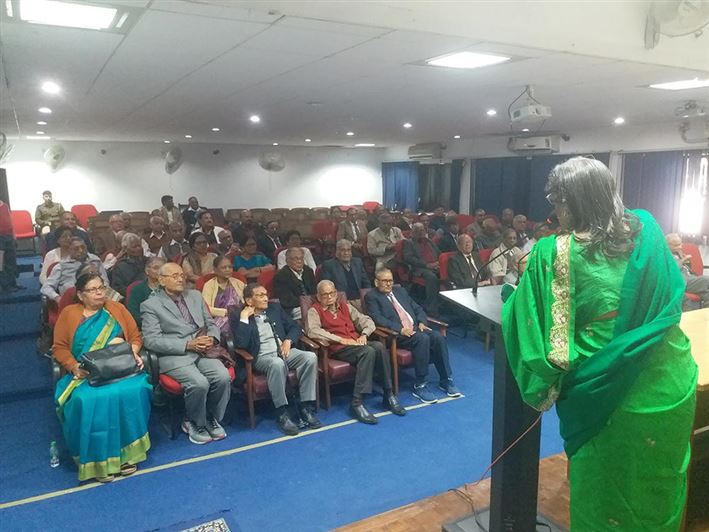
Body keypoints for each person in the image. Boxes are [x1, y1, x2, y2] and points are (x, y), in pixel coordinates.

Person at [501, 156, 698, 531]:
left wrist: (513, 298)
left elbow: (551, 348)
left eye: (559, 202)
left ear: (575, 201)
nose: (556, 213)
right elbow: (672, 296)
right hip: (671, 382)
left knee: (606, 498)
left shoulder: (555, 253)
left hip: (607, 395)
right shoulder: (648, 231)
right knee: (658, 489)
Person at [52, 272, 151, 482]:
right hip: (86, 373)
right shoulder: (69, 314)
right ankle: (99, 461)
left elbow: (135, 336)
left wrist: (133, 352)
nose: (99, 293)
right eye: (92, 289)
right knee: (87, 400)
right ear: (80, 294)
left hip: (120, 369)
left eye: (101, 287)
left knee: (135, 389)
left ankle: (126, 455)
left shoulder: (116, 308)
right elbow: (59, 348)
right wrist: (73, 367)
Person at [141, 262, 231, 445]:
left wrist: (212, 339)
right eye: (174, 276)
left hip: (203, 351)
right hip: (176, 355)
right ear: (161, 280)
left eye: (181, 275)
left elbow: (211, 323)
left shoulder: (195, 296)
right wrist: (187, 345)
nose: (180, 279)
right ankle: (193, 422)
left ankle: (210, 417)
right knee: (199, 383)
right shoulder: (150, 305)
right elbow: (151, 340)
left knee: (222, 377)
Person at [305, 280, 405, 423]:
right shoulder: (314, 310)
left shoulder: (346, 306)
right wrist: (340, 339)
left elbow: (366, 320)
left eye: (332, 293)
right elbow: (313, 331)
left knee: (378, 346)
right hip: (337, 348)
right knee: (368, 352)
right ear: (319, 296)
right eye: (325, 294)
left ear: (336, 293)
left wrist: (364, 334)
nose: (329, 297)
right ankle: (357, 402)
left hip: (356, 342)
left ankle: (388, 394)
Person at [231, 283, 321, 435]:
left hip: (284, 351)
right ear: (249, 300)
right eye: (260, 295)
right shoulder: (240, 315)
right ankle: (282, 413)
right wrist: (244, 319)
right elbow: (241, 343)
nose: (266, 298)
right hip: (261, 357)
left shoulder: (275, 309)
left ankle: (306, 407)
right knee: (277, 363)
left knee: (310, 357)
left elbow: (295, 327)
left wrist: (288, 341)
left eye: (266, 294)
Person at [365, 268, 459, 403]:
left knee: (438, 337)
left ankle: (446, 380)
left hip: (415, 328)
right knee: (423, 339)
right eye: (384, 281)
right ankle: (420, 385)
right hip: (396, 334)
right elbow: (377, 318)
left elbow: (417, 308)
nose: (388, 284)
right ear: (376, 282)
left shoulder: (400, 291)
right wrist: (400, 329)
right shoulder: (372, 297)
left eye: (390, 280)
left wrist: (421, 322)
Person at [41, 237, 109, 303]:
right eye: (76, 249)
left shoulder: (95, 260)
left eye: (83, 247)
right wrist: (57, 298)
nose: (81, 250)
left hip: (97, 297)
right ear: (69, 250)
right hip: (73, 301)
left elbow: (105, 281)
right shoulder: (61, 266)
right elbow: (46, 287)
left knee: (116, 305)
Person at [403, 222, 441, 316]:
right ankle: (431, 309)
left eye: (422, 230)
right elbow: (408, 258)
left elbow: (439, 252)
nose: (420, 233)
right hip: (420, 268)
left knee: (450, 271)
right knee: (432, 278)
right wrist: (427, 265)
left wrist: (439, 262)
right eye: (417, 231)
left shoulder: (428, 241)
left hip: (435, 265)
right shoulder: (408, 242)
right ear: (413, 232)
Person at [201, 255, 245, 337]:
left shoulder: (238, 283)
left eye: (230, 267)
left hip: (240, 316)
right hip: (219, 318)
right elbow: (206, 309)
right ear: (215, 270)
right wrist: (227, 312)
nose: (228, 270)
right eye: (224, 268)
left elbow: (247, 301)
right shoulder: (209, 285)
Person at [321, 239, 370, 308]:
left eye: (348, 250)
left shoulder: (358, 262)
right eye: (343, 250)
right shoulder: (329, 265)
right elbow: (326, 287)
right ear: (337, 251)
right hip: (341, 302)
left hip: (360, 300)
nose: (346, 253)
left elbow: (366, 283)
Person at [666, 232, 709, 307]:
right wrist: (683, 260)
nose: (680, 247)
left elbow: (686, 269)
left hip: (690, 278)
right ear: (667, 245)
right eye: (676, 245)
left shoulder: (677, 253)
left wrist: (683, 259)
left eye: (680, 244)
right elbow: (671, 270)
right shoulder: (664, 255)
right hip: (682, 281)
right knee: (706, 279)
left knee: (707, 294)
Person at [273, 247, 316, 319]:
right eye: (296, 259)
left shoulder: (308, 271)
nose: (299, 261)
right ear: (287, 261)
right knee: (312, 313)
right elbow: (286, 300)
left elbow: (314, 291)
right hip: (294, 308)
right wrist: (306, 303)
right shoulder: (281, 276)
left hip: (311, 304)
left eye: (301, 258)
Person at [126, 256, 165, 328]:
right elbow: (133, 314)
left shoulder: (169, 288)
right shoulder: (137, 290)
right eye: (156, 268)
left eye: (163, 268)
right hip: (146, 327)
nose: (160, 271)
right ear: (147, 270)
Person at [0, 199, 22, 294]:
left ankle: (13, 283)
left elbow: (10, 221)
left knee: (11, 261)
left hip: (9, 236)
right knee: (1, 264)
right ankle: (6, 286)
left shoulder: (4, 205)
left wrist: (14, 236)